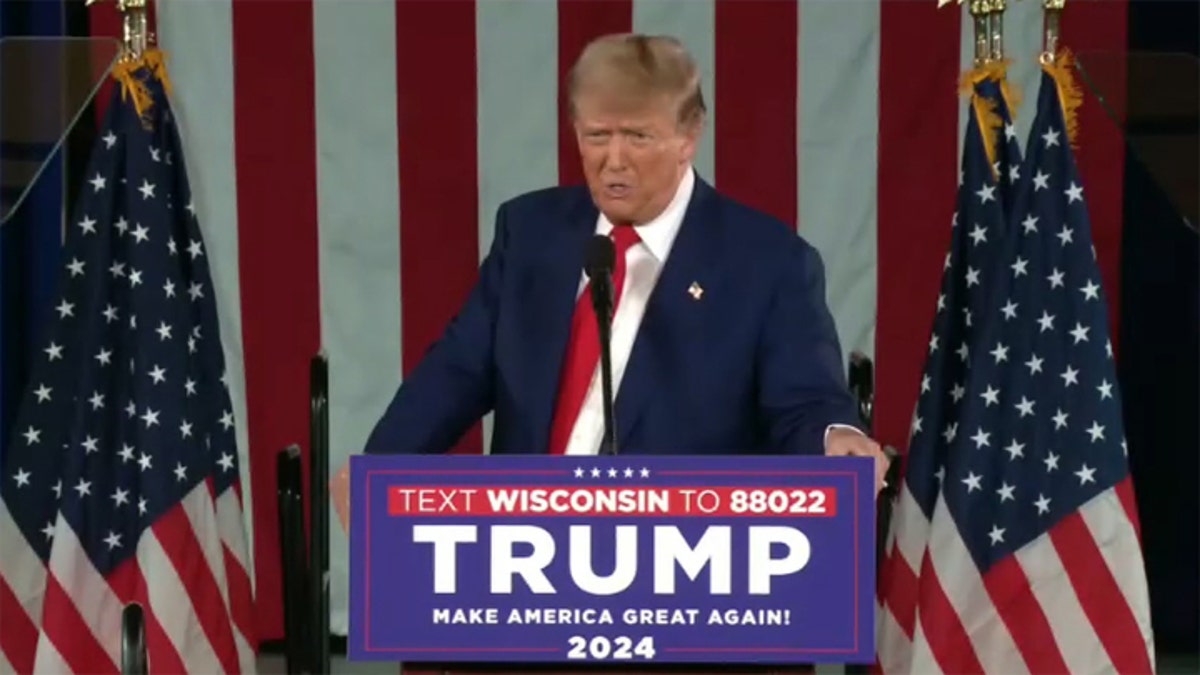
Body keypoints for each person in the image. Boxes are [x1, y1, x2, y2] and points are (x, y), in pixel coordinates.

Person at [333, 33, 888, 673]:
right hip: (523, 586)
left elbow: (806, 400)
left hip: (686, 605)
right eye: (596, 137)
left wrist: (834, 439)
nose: (613, 161)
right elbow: (458, 367)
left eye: (638, 137)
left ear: (690, 134)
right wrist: (383, 467)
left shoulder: (768, 263)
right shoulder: (533, 233)